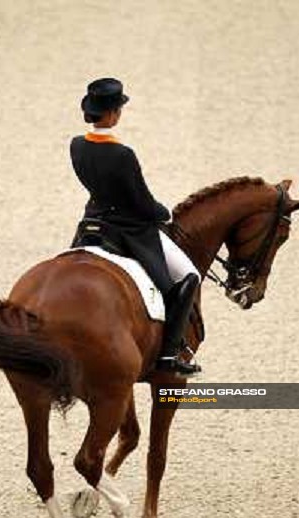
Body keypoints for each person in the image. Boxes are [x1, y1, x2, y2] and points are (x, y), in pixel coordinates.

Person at [70, 77, 201, 376]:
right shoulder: (122, 154)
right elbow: (141, 202)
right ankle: (169, 356)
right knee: (188, 277)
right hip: (129, 229)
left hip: (93, 223)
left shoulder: (76, 145)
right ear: (114, 113)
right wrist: (163, 213)